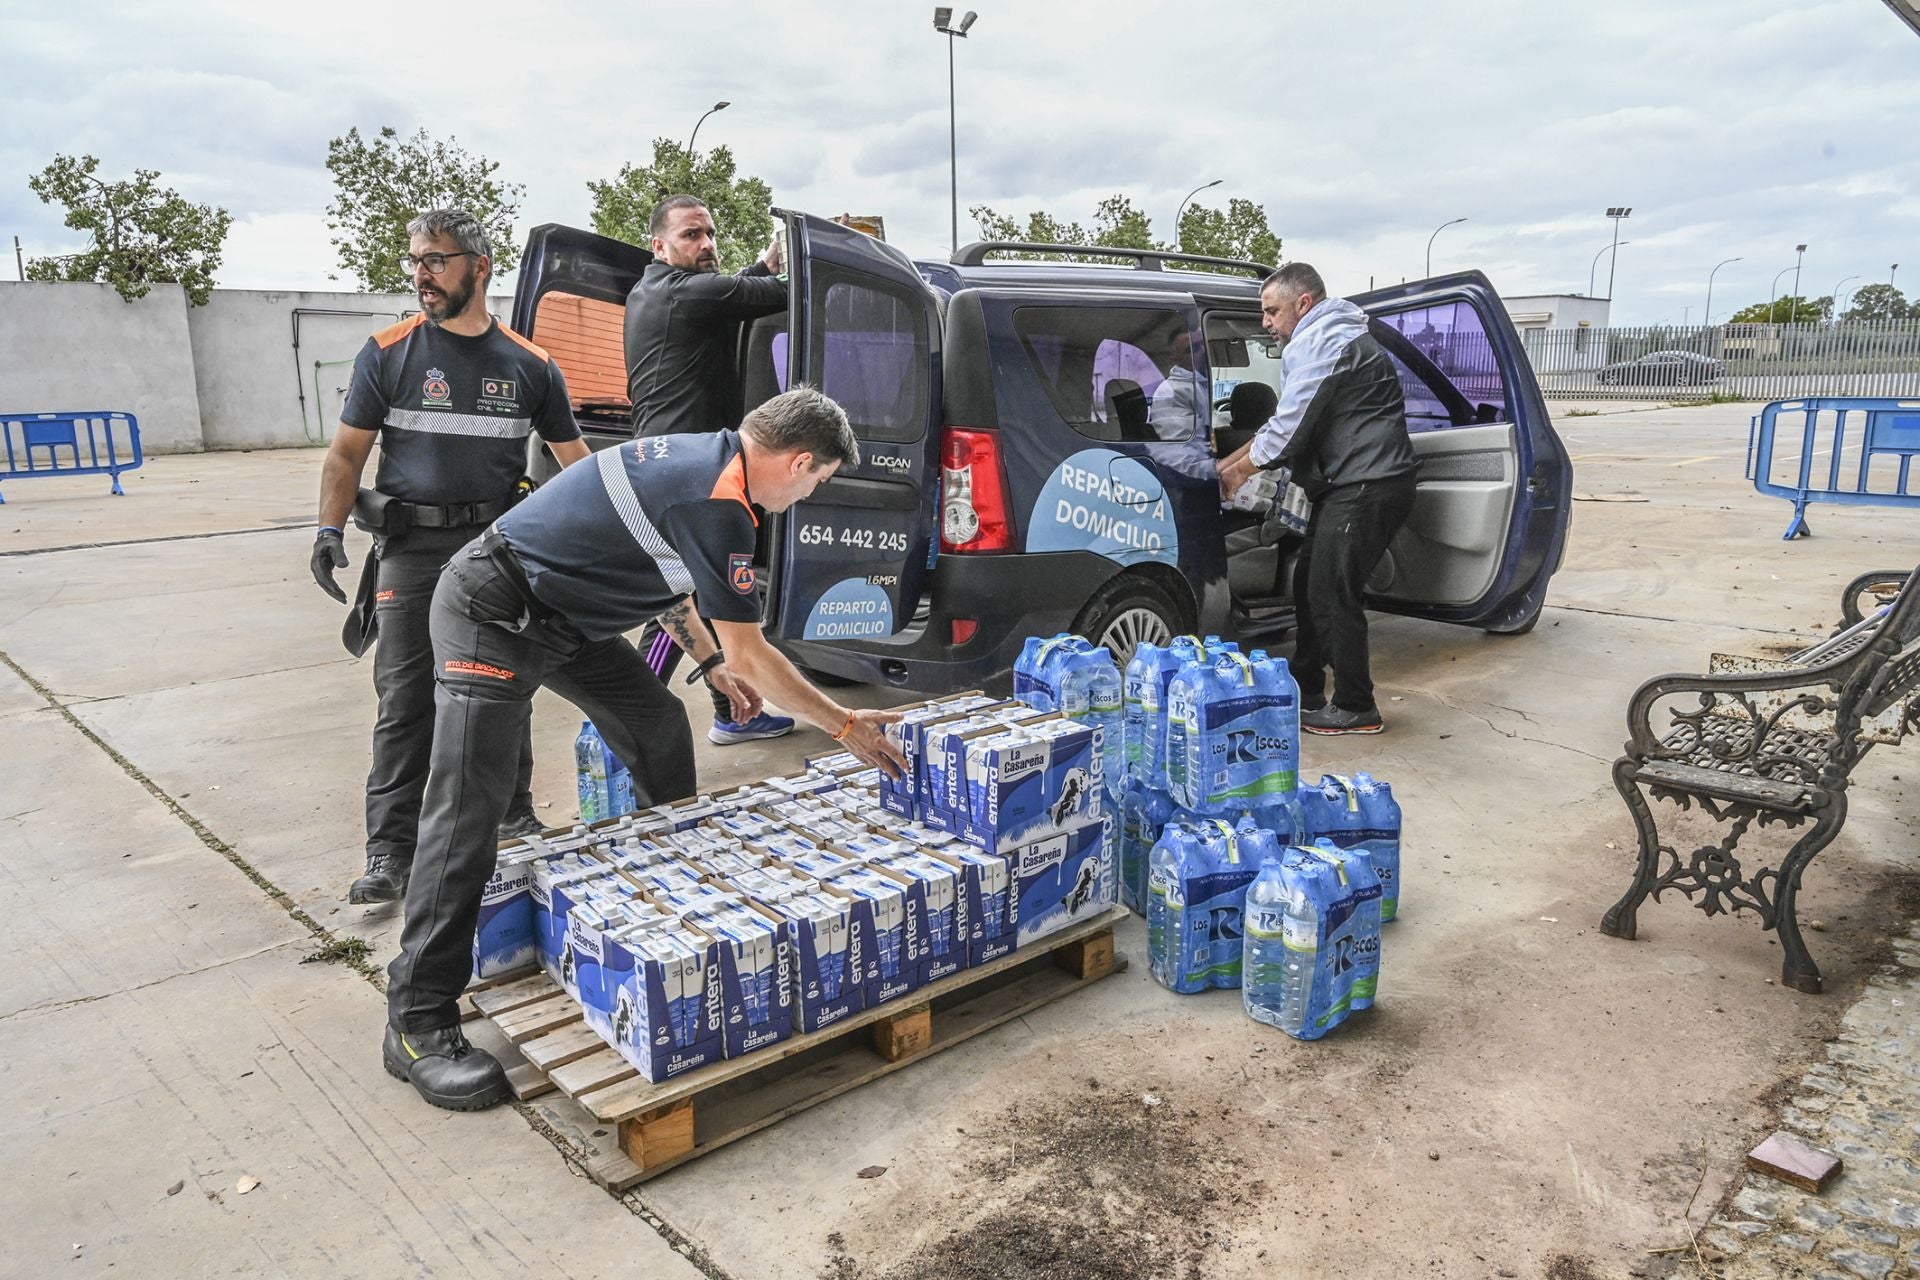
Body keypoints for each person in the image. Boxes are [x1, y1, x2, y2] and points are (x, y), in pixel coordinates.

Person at [381, 386, 906, 1111]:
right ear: (801, 461)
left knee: (657, 724)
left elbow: (671, 571)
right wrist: (845, 724)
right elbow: (757, 657)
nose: (809, 497)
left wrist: (709, 658)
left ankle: (683, 910)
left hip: (562, 621)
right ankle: (416, 1020)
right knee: (470, 804)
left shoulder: (710, 466)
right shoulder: (721, 498)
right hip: (492, 610)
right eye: (817, 483)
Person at [313, 207, 591, 904]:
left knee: (504, 686)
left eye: (435, 259)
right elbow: (347, 454)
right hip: (409, 548)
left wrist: (603, 535)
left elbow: (577, 464)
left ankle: (513, 815)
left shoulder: (532, 367)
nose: (421, 274)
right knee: (406, 699)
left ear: (479, 266)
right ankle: (389, 852)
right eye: (415, 260)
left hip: (496, 553)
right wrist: (328, 530)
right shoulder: (389, 351)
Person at [623, 194, 795, 749]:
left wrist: (765, 264)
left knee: (708, 593)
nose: (706, 244)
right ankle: (621, 717)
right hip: (679, 473)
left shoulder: (662, 291)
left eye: (709, 233)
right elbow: (784, 295)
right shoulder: (683, 294)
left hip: (683, 465)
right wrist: (818, 266)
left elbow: (736, 289)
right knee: (678, 601)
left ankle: (735, 714)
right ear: (659, 245)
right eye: (691, 235)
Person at [1218, 263, 1417, 735]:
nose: (1266, 322)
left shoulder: (1323, 339)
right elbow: (1282, 420)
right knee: (1310, 584)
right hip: (1353, 484)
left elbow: (1287, 429)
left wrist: (1236, 476)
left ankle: (1356, 706)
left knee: (1332, 594)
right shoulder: (1321, 338)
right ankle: (1304, 688)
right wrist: (1227, 465)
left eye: (1272, 311)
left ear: (1303, 303)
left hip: (1367, 485)